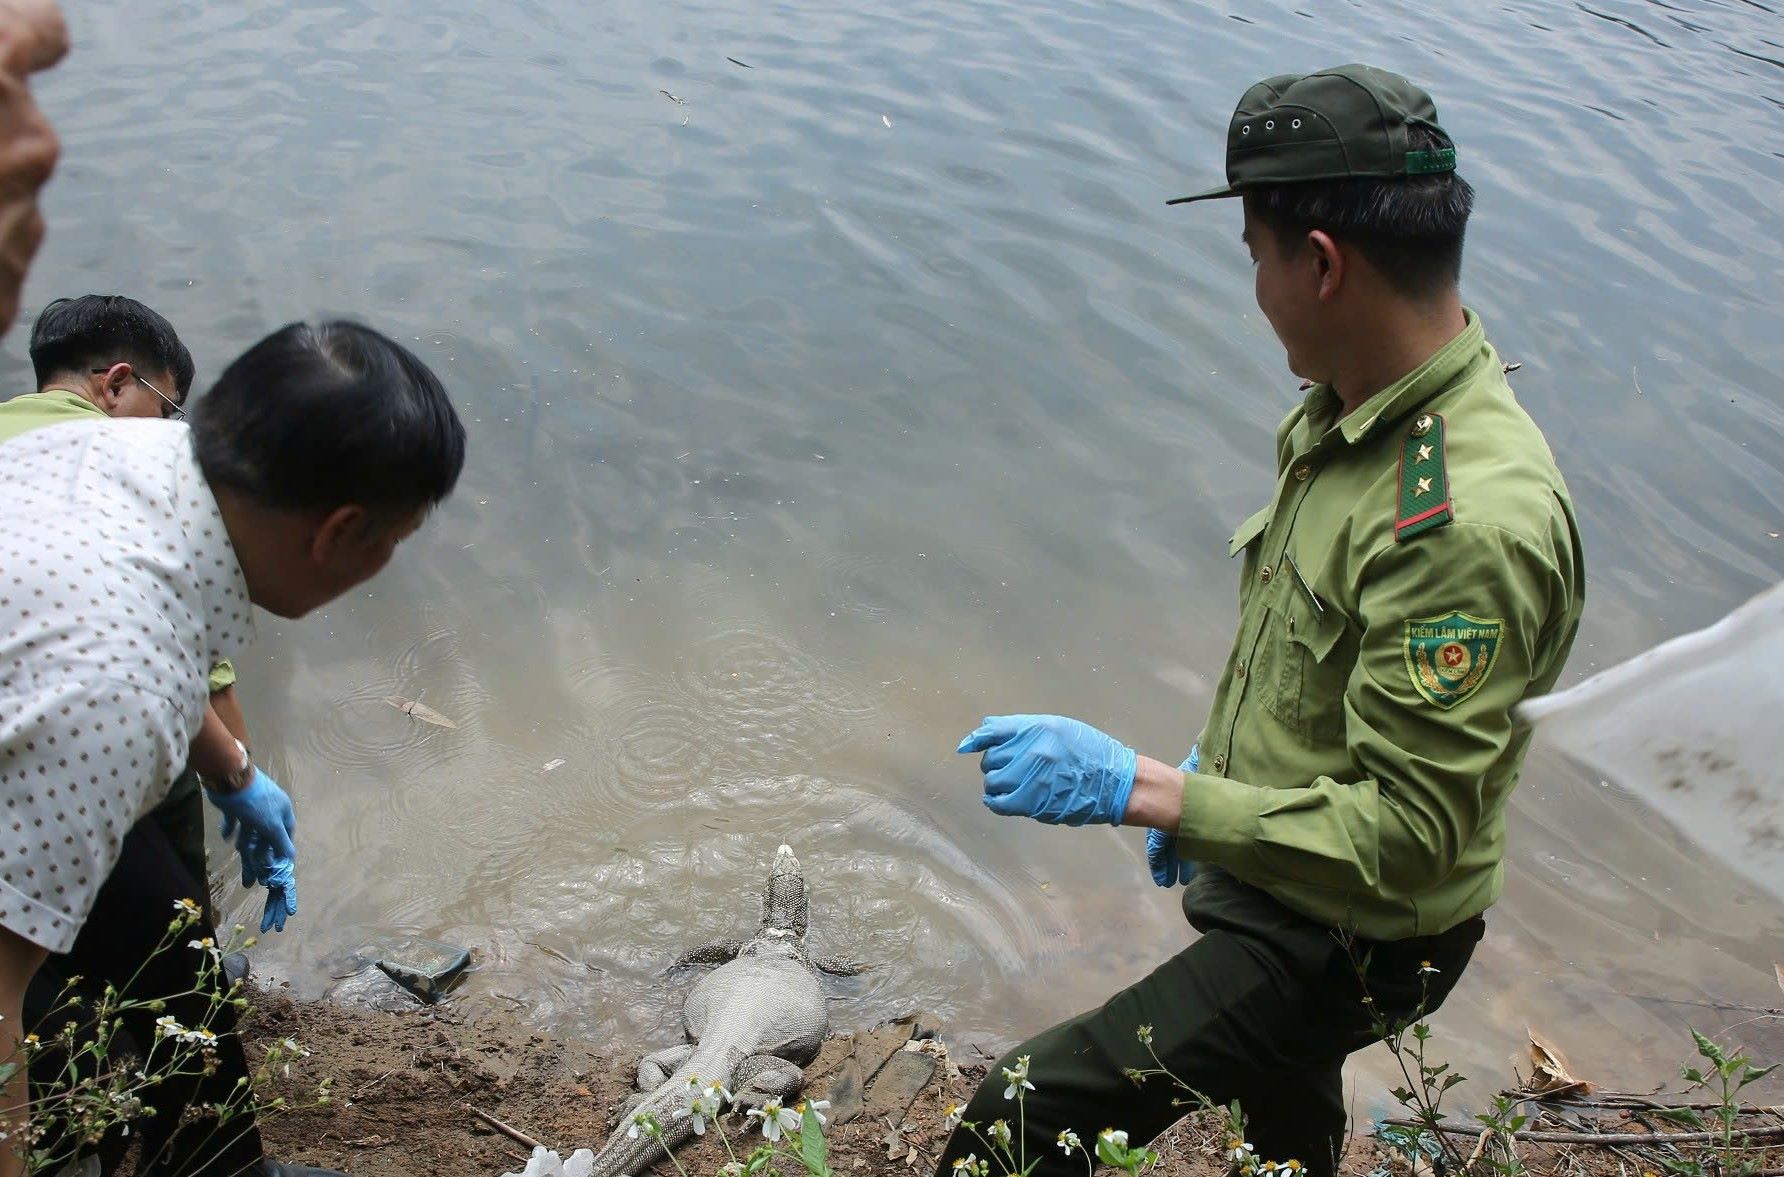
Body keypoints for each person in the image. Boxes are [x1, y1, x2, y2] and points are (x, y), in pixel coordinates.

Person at [943, 65, 1584, 1175]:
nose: (1253, 283)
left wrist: (1145, 788)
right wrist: (1220, 768)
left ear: (1321, 263)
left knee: (1025, 1108)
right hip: (1297, 889)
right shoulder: (1354, 415)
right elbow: (1322, 669)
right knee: (1281, 1107)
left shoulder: (1461, 522)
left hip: (1352, 940)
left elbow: (1406, 840)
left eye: (1253, 253)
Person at [0, 319, 468, 1176]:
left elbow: (154, 639)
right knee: (39, 1015)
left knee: (170, 941)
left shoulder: (117, 456)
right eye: (392, 545)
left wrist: (235, 770)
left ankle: (217, 1164)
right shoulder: (118, 690)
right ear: (340, 534)